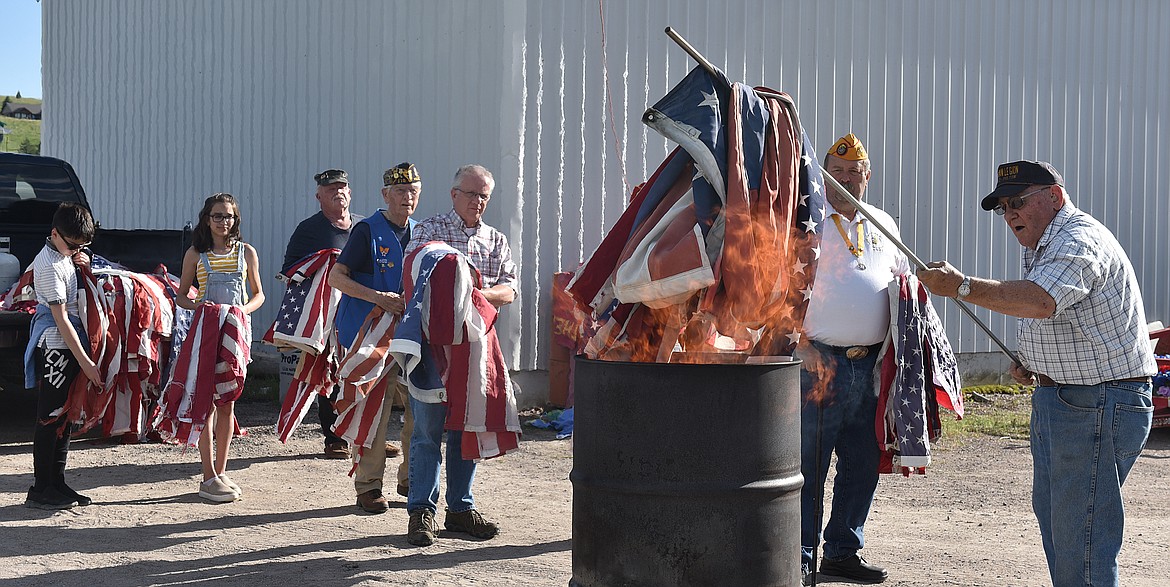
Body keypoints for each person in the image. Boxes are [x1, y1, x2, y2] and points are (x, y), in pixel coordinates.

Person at [917, 160, 1156, 587]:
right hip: (1071, 401)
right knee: (1063, 525)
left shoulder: (1077, 239)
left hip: (1096, 404)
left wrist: (962, 286)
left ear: (1055, 197)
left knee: (1080, 537)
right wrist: (1035, 360)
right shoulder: (1047, 244)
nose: (1009, 215)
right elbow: (1059, 314)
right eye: (1002, 207)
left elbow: (1042, 301)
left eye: (1017, 203)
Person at [799, 134, 905, 585]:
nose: (844, 180)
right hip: (818, 365)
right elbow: (780, 289)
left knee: (862, 463)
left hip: (871, 368)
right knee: (809, 466)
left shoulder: (884, 224)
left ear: (868, 176)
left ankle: (842, 551)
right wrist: (798, 347)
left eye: (853, 172)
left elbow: (903, 289)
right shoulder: (807, 222)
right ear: (823, 175)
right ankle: (799, 556)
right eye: (836, 172)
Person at [402, 163, 518, 546]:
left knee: (466, 427)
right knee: (427, 431)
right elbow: (420, 271)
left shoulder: (496, 240)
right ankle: (421, 512)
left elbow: (510, 288)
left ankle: (460, 509)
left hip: (476, 349)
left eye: (484, 195)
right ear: (454, 194)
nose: (478, 201)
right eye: (471, 194)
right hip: (434, 349)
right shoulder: (430, 230)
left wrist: (474, 299)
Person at [281, 168, 404, 461]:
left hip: (365, 312)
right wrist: (324, 263)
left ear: (350, 192)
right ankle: (335, 436)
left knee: (370, 373)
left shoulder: (366, 226)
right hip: (326, 316)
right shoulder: (309, 229)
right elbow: (290, 270)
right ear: (319, 196)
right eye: (330, 188)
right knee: (331, 371)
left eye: (342, 187)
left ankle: (368, 435)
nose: (338, 192)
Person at [329, 162, 421, 513]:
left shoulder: (421, 232)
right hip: (370, 335)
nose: (407, 197)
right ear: (385, 194)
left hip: (410, 336)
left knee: (419, 410)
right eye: (399, 191)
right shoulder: (367, 230)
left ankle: (413, 479)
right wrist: (378, 298)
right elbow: (337, 278)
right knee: (374, 410)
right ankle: (368, 486)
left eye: (413, 190)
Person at [172, 193, 265, 502]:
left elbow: (259, 294)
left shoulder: (246, 253)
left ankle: (222, 471)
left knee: (228, 401)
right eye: (217, 216)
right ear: (206, 219)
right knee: (206, 402)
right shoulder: (195, 255)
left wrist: (242, 311)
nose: (223, 222)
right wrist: (202, 306)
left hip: (236, 335)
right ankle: (208, 475)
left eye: (229, 216)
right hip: (207, 334)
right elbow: (181, 295)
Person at [23, 203, 100, 509]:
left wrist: (83, 258)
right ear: (54, 234)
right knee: (50, 415)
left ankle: (58, 481)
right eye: (73, 245)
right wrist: (87, 363)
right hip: (56, 345)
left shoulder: (63, 256)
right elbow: (61, 319)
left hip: (67, 344)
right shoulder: (50, 265)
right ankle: (41, 486)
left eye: (83, 245)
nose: (76, 250)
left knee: (65, 415)